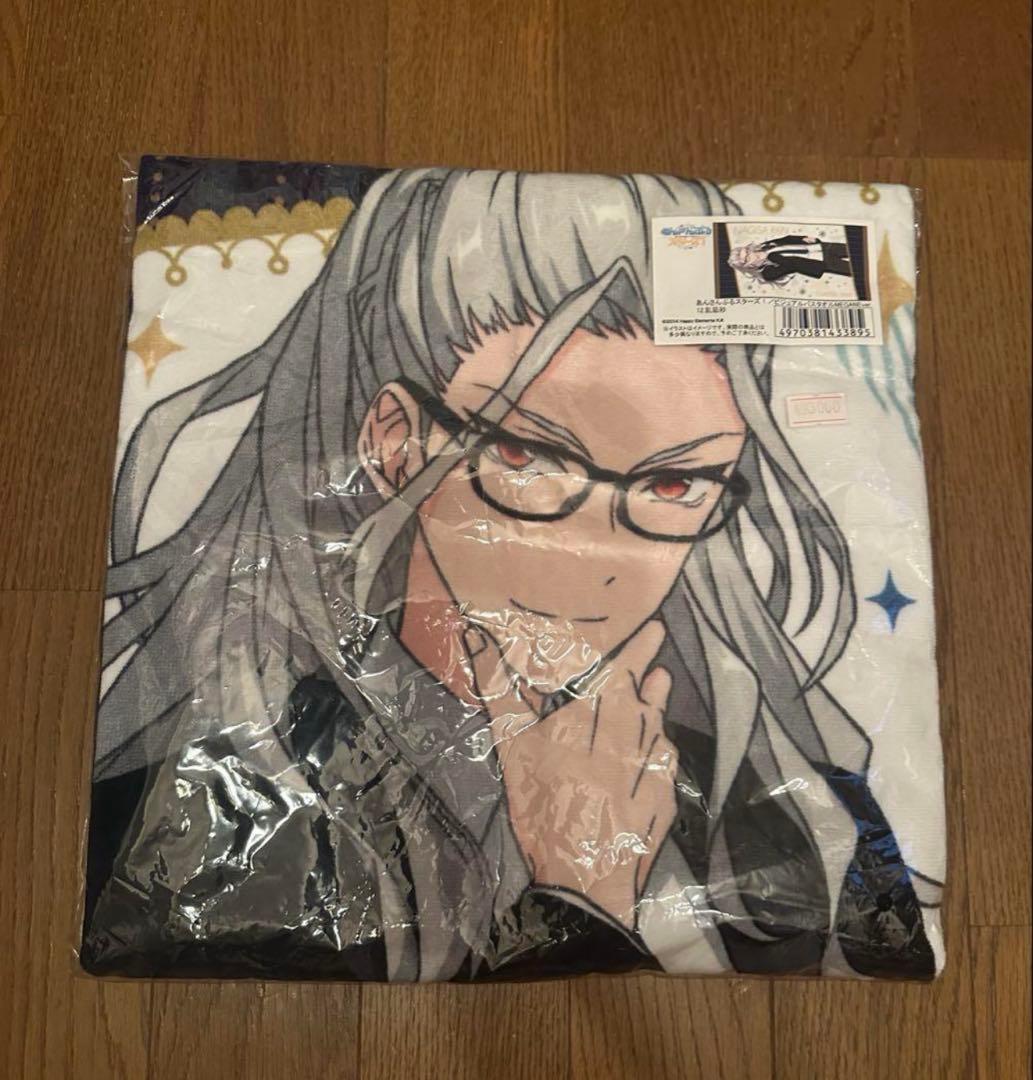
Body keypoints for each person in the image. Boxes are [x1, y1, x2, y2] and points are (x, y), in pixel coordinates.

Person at [82, 169, 936, 981]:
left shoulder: (781, 813)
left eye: (674, 484)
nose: (596, 557)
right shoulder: (216, 788)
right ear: (395, 439)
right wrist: (580, 891)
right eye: (528, 458)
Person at [729, 233, 852, 286]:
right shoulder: (767, 273)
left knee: (857, 249)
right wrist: (770, 257)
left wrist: (803, 238)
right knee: (854, 269)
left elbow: (786, 239)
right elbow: (790, 265)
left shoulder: (766, 245)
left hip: (821, 247)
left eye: (747, 251)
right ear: (747, 266)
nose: (751, 254)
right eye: (746, 257)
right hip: (821, 262)